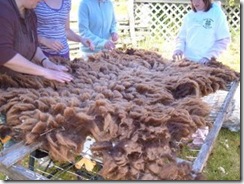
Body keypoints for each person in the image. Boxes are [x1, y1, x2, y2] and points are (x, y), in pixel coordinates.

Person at [0, 0, 73, 83]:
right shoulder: (3, 10)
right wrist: (45, 72)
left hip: (17, 80)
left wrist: (45, 62)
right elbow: (4, 53)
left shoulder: (30, 14)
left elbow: (33, 45)